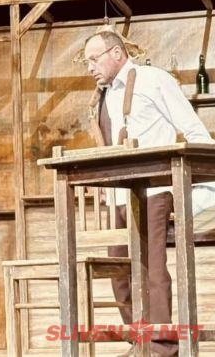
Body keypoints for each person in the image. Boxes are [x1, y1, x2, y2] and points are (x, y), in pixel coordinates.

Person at [83, 29, 215, 357]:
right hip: (118, 193)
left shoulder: (153, 80)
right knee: (119, 271)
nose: (90, 67)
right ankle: (140, 343)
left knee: (152, 267)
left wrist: (209, 182)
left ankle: (162, 346)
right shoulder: (102, 95)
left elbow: (193, 129)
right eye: (86, 62)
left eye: (94, 59)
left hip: (154, 189)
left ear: (116, 53)